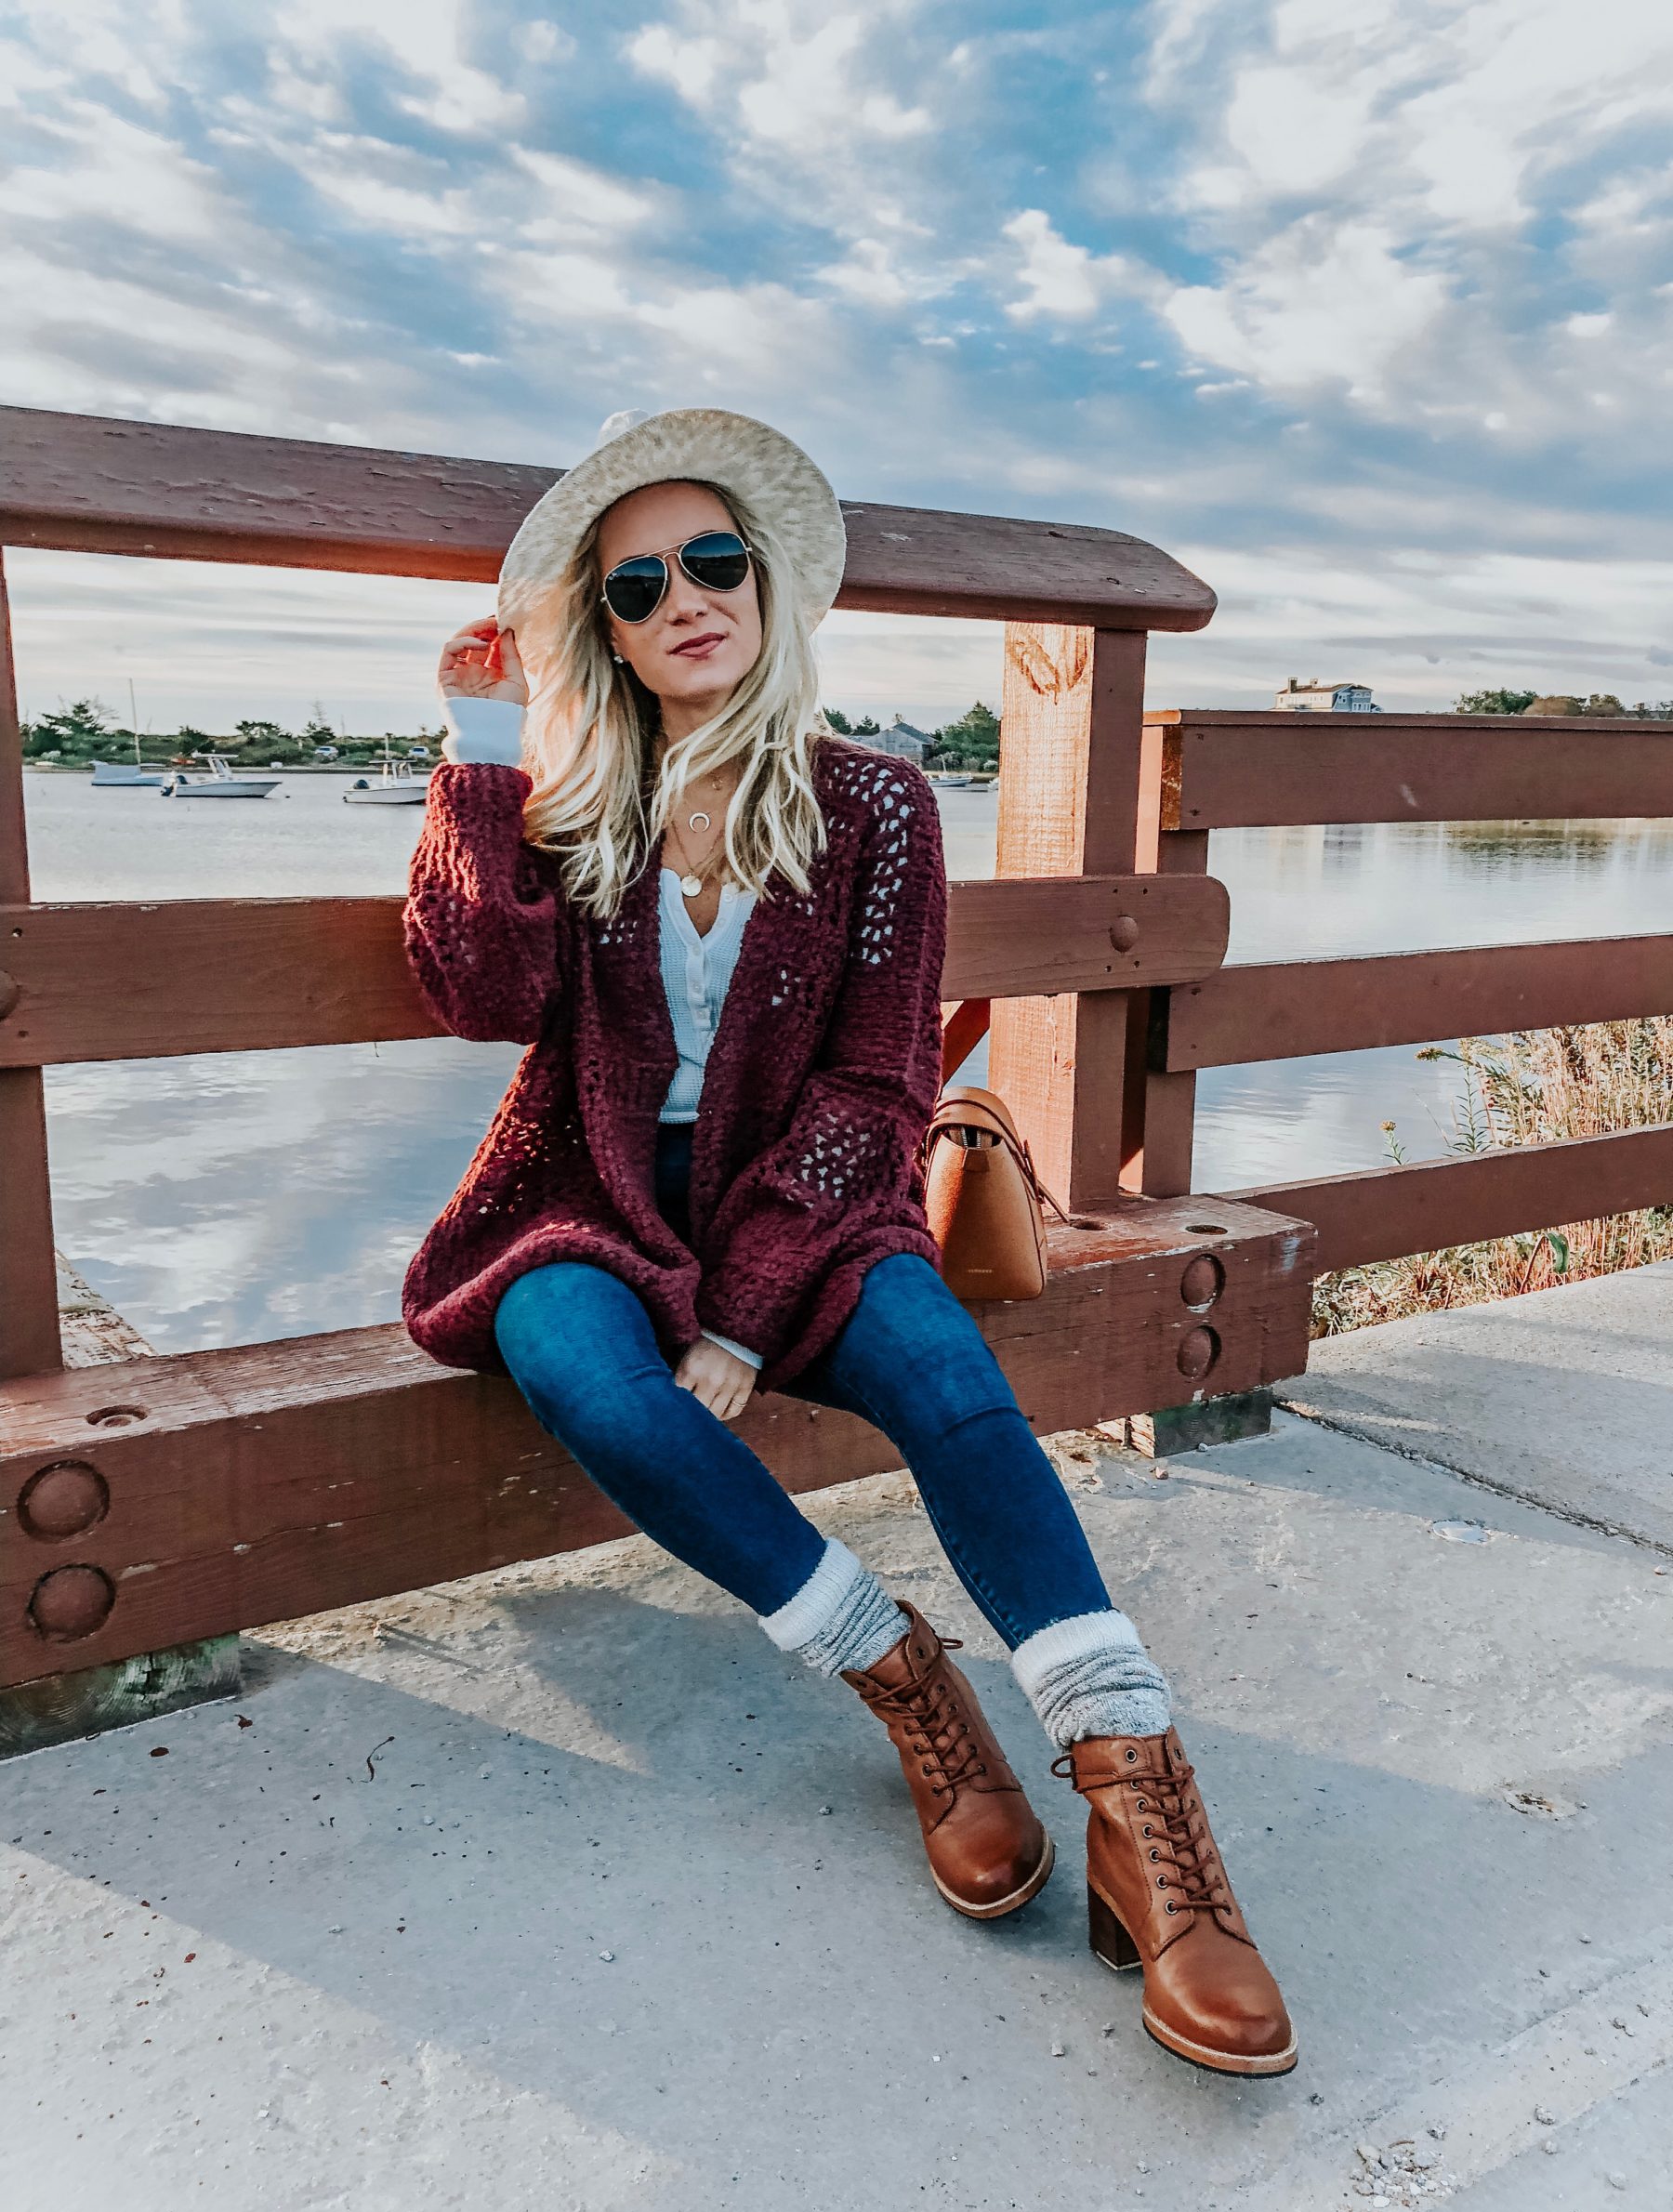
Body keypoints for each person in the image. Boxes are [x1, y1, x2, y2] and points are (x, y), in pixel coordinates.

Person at [400, 406, 1295, 2077]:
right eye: (637, 580)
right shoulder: (566, 800)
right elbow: (484, 996)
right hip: (585, 1196)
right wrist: (482, 743)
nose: (686, 597)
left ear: (771, 589)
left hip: (802, 1196)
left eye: (716, 560)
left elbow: (882, 1080)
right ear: (602, 627)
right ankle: (906, 1684)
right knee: (578, 1366)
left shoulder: (875, 807)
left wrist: (743, 1311)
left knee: (945, 1376)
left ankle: (1138, 1795)